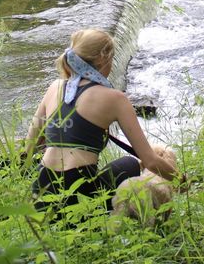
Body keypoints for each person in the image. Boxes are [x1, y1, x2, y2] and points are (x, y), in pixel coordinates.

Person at [25, 28, 177, 213]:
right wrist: (180, 180)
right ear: (104, 58)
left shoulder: (54, 87)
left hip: (41, 195)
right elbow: (150, 161)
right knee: (129, 164)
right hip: (78, 197)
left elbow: (30, 146)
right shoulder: (115, 98)